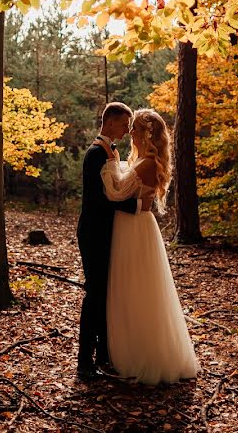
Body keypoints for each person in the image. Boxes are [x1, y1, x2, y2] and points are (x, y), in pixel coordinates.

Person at [98, 108, 200, 385]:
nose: (130, 132)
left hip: (134, 228)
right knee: (132, 287)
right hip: (134, 225)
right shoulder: (142, 160)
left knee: (135, 289)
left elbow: (116, 192)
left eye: (135, 129)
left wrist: (109, 165)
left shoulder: (146, 163)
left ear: (147, 134)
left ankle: (139, 354)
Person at [76, 102, 140, 380]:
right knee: (95, 295)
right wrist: (134, 207)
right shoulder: (94, 154)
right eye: (125, 124)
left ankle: (103, 355)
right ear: (111, 122)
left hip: (107, 231)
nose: (127, 130)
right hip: (93, 232)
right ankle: (84, 362)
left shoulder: (110, 151)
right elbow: (97, 200)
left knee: (106, 294)